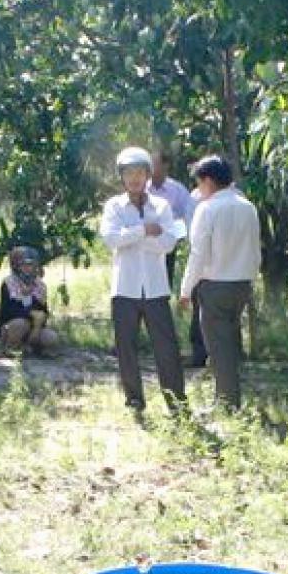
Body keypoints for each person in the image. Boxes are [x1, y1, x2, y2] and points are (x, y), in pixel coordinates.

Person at [101, 146, 186, 414]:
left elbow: (169, 242)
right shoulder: (113, 206)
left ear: (148, 175)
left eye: (140, 172)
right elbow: (111, 239)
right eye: (129, 173)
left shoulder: (161, 205)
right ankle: (134, 399)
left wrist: (135, 237)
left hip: (156, 287)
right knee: (126, 346)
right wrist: (144, 230)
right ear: (121, 177)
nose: (135, 178)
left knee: (166, 346)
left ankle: (176, 401)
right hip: (124, 287)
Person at [180, 155, 262, 409]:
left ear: (208, 181)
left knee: (219, 347)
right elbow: (255, 249)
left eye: (199, 183)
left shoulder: (208, 208)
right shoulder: (247, 206)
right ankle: (227, 398)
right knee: (230, 342)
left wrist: (186, 289)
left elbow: (198, 253)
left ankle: (227, 402)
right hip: (241, 284)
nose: (198, 190)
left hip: (215, 285)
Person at [150, 151, 205, 368]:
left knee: (160, 296)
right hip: (140, 251)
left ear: (166, 166)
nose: (151, 170)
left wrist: (174, 235)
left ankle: (164, 345)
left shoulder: (178, 191)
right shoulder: (140, 188)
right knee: (134, 294)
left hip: (166, 250)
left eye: (155, 165)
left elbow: (190, 218)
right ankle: (127, 342)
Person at [0, 246, 61, 355]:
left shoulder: (40, 285)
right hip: (12, 324)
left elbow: (44, 309)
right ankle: (10, 347)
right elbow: (8, 311)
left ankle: (31, 346)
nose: (28, 268)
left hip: (35, 326)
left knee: (51, 337)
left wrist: (39, 321)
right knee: (20, 324)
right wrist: (30, 313)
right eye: (24, 264)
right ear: (16, 265)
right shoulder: (8, 283)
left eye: (31, 264)